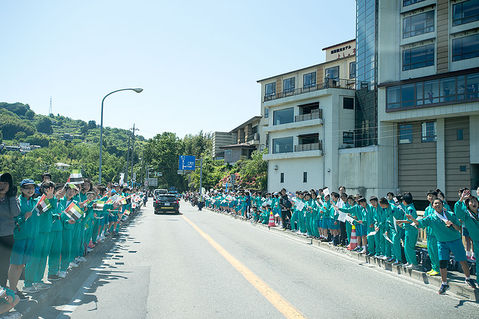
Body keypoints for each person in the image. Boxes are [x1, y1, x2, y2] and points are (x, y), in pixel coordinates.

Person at [405, 199, 476, 294]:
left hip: (455, 241)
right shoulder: (431, 217)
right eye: (435, 203)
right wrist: (412, 219)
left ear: (443, 205)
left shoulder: (450, 214)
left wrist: (452, 224)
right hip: (442, 243)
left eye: (439, 203)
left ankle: (467, 278)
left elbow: (459, 228)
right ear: (432, 206)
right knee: (442, 263)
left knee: (463, 260)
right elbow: (420, 223)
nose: (437, 205)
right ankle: (444, 283)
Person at [8, 179, 38, 297]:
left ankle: (14, 288)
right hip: (19, 237)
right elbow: (12, 220)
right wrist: (23, 218)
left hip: (30, 237)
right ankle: (11, 289)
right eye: (27, 188)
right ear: (21, 189)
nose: (30, 190)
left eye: (32, 187)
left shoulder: (34, 202)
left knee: (22, 264)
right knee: (15, 263)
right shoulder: (17, 202)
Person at [0, 173, 20, 288]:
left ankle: (2, 288)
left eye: (5, 183)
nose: (2, 186)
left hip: (7, 236)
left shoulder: (11, 198)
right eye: (0, 183)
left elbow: (15, 213)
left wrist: (12, 197)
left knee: (4, 264)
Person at [454, 190, 479, 276]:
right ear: (467, 205)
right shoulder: (467, 216)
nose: (474, 203)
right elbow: (458, 211)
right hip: (477, 242)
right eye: (471, 202)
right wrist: (461, 199)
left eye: (475, 201)